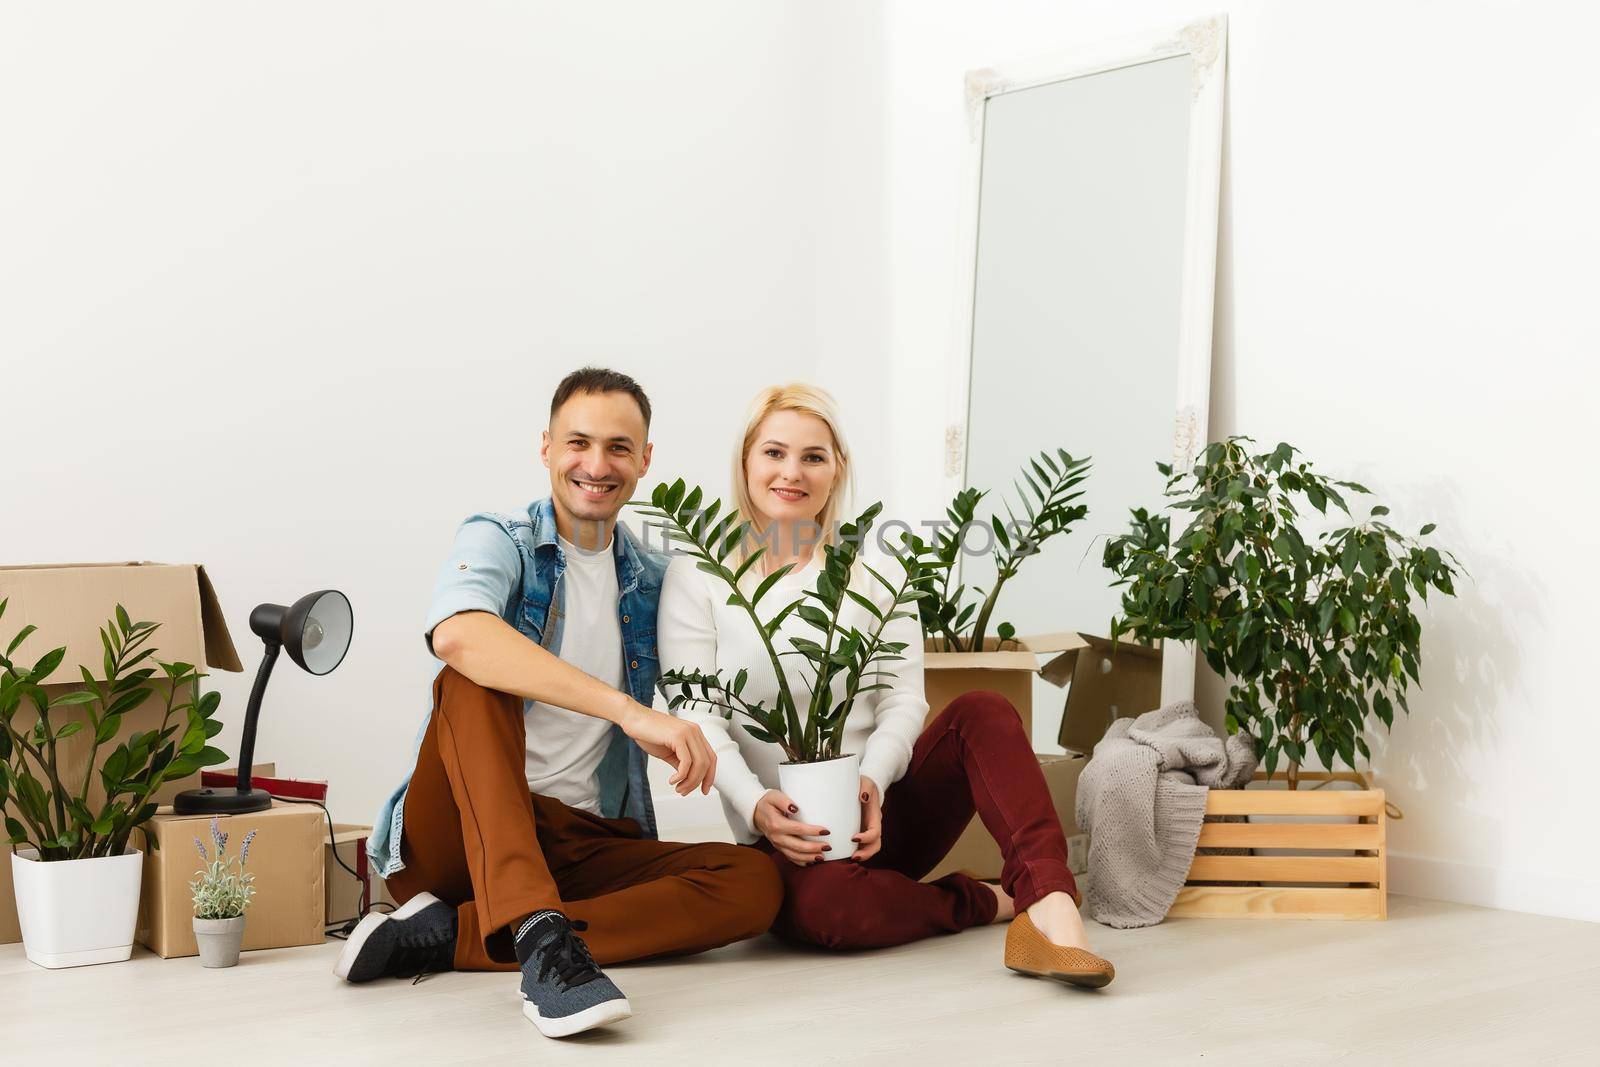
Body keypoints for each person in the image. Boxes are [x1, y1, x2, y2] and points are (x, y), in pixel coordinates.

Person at [339, 367, 783, 1038]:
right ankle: (541, 939)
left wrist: (774, 796)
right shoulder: (502, 537)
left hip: (578, 840)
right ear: (545, 447)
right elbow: (457, 632)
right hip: (460, 835)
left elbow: (721, 682)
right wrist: (626, 709)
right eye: (578, 442)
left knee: (753, 882)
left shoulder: (656, 579)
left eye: (618, 447)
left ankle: (449, 933)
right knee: (473, 674)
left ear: (645, 460)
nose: (596, 465)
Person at [656, 382, 1114, 987]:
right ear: (745, 461)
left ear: (836, 469)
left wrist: (872, 780)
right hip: (786, 838)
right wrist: (755, 806)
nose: (792, 472)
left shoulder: (876, 570)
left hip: (883, 813)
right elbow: (698, 711)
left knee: (982, 710)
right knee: (828, 913)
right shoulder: (700, 570)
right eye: (774, 453)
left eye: (813, 457)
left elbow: (904, 698)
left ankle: (1051, 903)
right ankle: (990, 903)